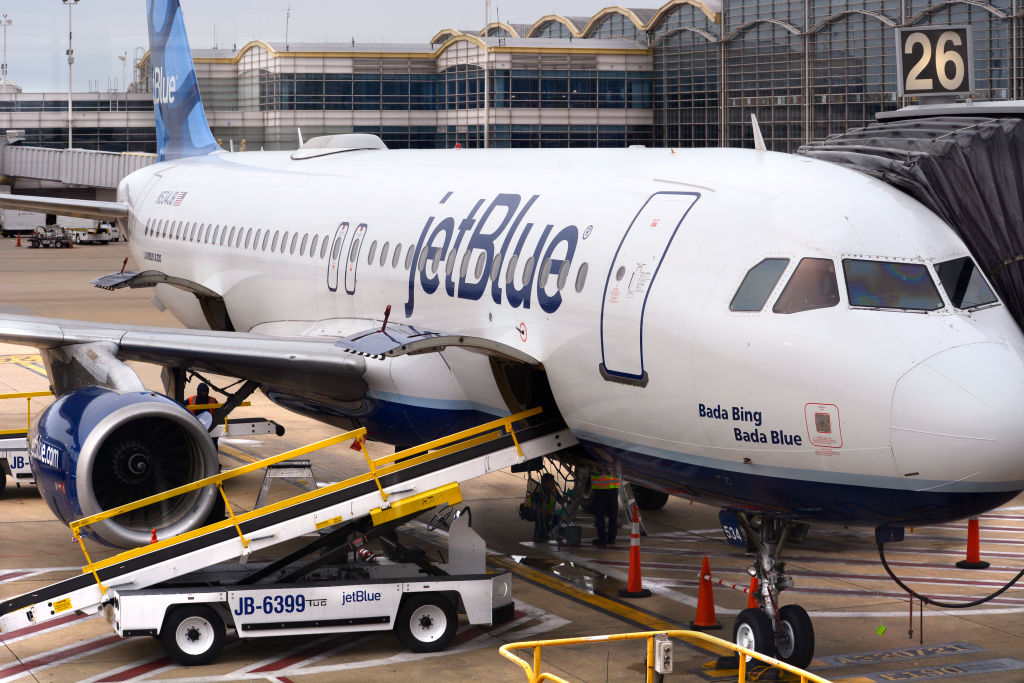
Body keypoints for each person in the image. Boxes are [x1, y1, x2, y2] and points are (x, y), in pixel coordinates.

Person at [529, 473, 564, 542]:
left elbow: (561, 501)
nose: (554, 483)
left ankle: (544, 533)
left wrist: (569, 497)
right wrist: (554, 513)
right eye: (552, 481)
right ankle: (537, 535)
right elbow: (539, 510)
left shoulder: (553, 489)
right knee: (542, 517)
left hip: (547, 512)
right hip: (531, 512)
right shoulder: (538, 492)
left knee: (557, 518)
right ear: (546, 483)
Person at [590, 471, 620, 546]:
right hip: (613, 487)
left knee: (600, 515)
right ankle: (611, 539)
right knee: (613, 514)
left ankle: (602, 539)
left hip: (601, 488)